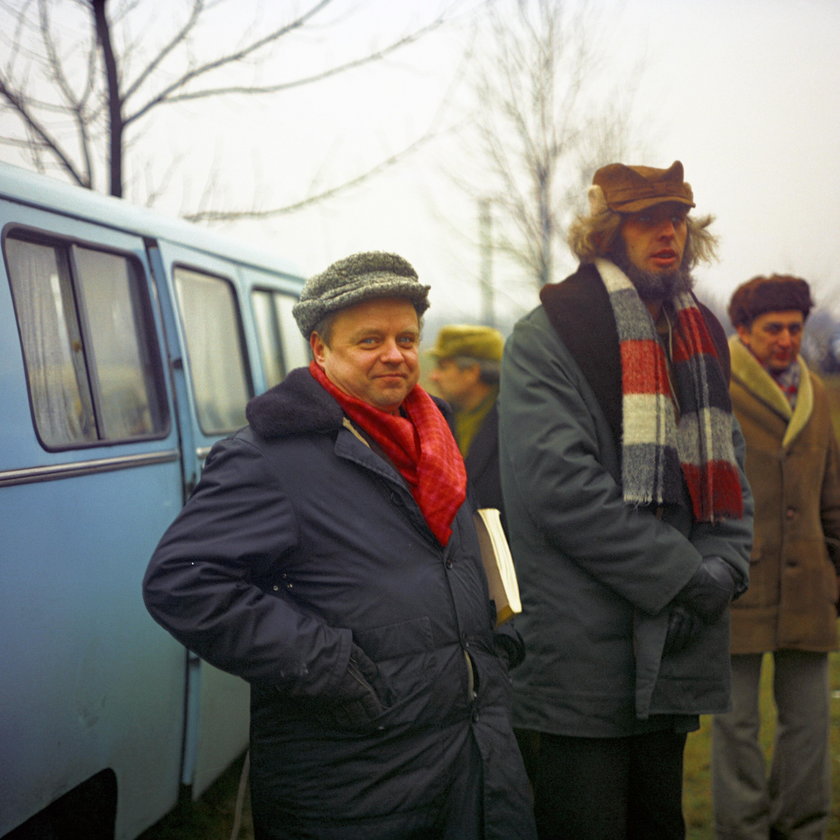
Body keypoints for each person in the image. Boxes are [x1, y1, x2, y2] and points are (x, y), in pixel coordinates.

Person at [143, 252, 537, 840]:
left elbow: (464, 552)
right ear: (320, 350)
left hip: (472, 755)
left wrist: (495, 639)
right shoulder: (269, 456)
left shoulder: (435, 440)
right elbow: (183, 581)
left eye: (407, 337)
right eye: (369, 340)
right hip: (355, 782)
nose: (395, 354)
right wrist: (325, 664)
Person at [498, 160, 754, 839]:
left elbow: (730, 467)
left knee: (657, 825)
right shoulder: (547, 332)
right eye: (645, 219)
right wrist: (683, 577)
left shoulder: (696, 334)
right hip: (580, 661)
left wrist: (727, 563)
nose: (666, 232)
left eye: (676, 218)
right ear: (608, 233)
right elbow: (562, 489)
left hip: (670, 650)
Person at [712, 275, 840, 840]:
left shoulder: (817, 390)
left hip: (811, 586)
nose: (787, 339)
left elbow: (831, 493)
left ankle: (803, 827)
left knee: (809, 723)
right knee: (735, 725)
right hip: (739, 579)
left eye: (795, 327)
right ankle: (742, 830)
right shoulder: (716, 388)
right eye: (773, 329)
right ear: (742, 331)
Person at [428, 324, 505, 515]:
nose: (434, 376)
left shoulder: (515, 422)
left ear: (472, 372)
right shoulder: (441, 419)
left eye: (443, 367)